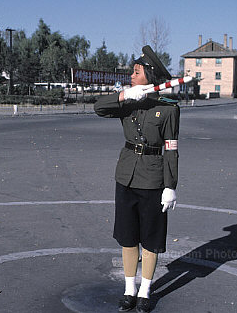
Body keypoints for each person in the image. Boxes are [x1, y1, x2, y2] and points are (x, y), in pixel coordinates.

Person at [94, 45, 180, 313]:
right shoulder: (128, 101)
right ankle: (129, 289)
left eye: (136, 72)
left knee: (151, 239)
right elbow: (98, 108)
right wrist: (123, 94)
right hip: (126, 176)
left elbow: (171, 149)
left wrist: (170, 186)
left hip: (153, 179)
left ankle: (145, 291)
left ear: (149, 75)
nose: (131, 75)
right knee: (127, 237)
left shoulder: (168, 109)